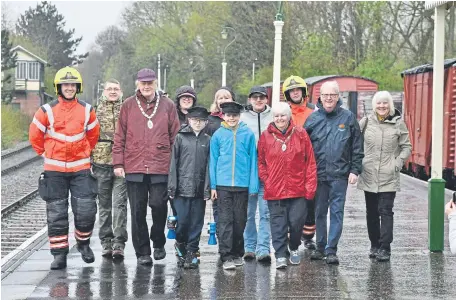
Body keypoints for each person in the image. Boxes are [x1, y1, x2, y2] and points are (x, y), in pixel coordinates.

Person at [29, 66, 100, 270]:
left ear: (77, 87)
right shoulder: (46, 110)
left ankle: (83, 244)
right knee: (57, 214)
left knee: (86, 211)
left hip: (81, 169)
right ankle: (60, 255)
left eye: (72, 85)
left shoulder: (87, 110)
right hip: (55, 171)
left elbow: (93, 135)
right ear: (59, 87)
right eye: (65, 85)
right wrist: (47, 153)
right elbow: (35, 135)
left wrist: (84, 151)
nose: (69, 88)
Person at [112, 68, 180, 266]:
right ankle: (142, 251)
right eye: (143, 83)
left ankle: (158, 241)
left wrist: (175, 164)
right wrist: (118, 162)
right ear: (137, 84)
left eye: (150, 82)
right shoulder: (128, 105)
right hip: (134, 165)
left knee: (159, 205)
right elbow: (119, 136)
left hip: (161, 164)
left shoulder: (167, 105)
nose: (147, 86)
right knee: (137, 211)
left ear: (155, 83)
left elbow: (175, 136)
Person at [304, 81, 363, 265]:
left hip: (340, 175)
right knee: (320, 212)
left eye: (333, 95)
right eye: (325, 95)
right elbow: (303, 149)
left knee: (337, 212)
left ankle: (331, 250)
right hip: (319, 175)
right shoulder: (312, 120)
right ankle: (320, 247)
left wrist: (355, 170)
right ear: (319, 97)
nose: (329, 98)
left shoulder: (348, 118)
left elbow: (357, 146)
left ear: (338, 97)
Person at [258, 102, 317, 269]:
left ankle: (293, 246)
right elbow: (261, 161)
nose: (279, 118)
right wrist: (266, 179)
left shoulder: (301, 134)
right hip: (274, 190)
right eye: (276, 116)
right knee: (278, 224)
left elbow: (310, 162)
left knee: (297, 222)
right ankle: (280, 254)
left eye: (283, 115)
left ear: (289, 116)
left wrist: (310, 187)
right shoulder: (266, 136)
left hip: (298, 189)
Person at [357, 91, 411, 262]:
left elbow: (406, 147)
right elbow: (355, 144)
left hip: (389, 175)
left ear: (390, 105)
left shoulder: (398, 124)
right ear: (374, 105)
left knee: (386, 211)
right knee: (371, 212)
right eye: (379, 103)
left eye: (385, 103)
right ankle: (374, 245)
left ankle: (385, 247)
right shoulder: (365, 122)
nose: (382, 106)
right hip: (369, 174)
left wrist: (398, 163)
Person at [209, 101, 259, 270]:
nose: (231, 118)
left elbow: (253, 160)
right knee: (225, 221)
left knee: (240, 221)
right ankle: (226, 255)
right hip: (223, 186)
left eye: (234, 115)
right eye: (228, 115)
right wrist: (213, 186)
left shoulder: (248, 134)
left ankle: (238, 252)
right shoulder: (218, 135)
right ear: (223, 115)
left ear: (239, 116)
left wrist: (253, 185)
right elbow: (213, 161)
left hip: (242, 185)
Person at [168, 106, 211, 269]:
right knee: (184, 220)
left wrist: (207, 187)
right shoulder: (180, 138)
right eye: (194, 120)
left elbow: (209, 166)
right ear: (189, 121)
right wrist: (172, 186)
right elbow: (174, 163)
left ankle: (193, 251)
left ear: (206, 122)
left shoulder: (208, 140)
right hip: (181, 188)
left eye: (201, 121)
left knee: (197, 222)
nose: (197, 123)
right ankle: (181, 245)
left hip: (199, 189)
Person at [91, 79, 128, 259]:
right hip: (100, 162)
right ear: (103, 91)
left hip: (122, 163)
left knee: (120, 204)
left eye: (116, 88)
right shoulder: (94, 109)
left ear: (120, 91)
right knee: (104, 205)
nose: (113, 91)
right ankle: (106, 242)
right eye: (110, 89)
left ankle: (119, 243)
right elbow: (88, 135)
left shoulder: (128, 109)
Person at [282, 75, 318, 249]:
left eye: (297, 90)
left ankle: (309, 237)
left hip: (309, 164)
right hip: (288, 166)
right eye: (291, 91)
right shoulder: (283, 112)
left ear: (303, 92)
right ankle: (291, 235)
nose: (295, 93)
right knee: (289, 204)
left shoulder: (314, 111)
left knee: (310, 202)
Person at [240, 86, 272, 263]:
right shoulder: (243, 118)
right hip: (249, 172)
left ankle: (263, 248)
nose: (258, 100)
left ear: (266, 99)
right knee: (249, 212)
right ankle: (249, 247)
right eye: (255, 97)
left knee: (266, 212)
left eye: (261, 97)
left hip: (268, 172)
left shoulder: (274, 116)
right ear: (250, 99)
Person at [206, 87, 235, 226]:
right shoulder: (209, 120)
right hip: (217, 167)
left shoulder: (237, 119)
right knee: (218, 206)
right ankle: (220, 234)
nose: (223, 100)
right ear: (216, 101)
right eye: (220, 97)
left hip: (235, 168)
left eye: (226, 97)